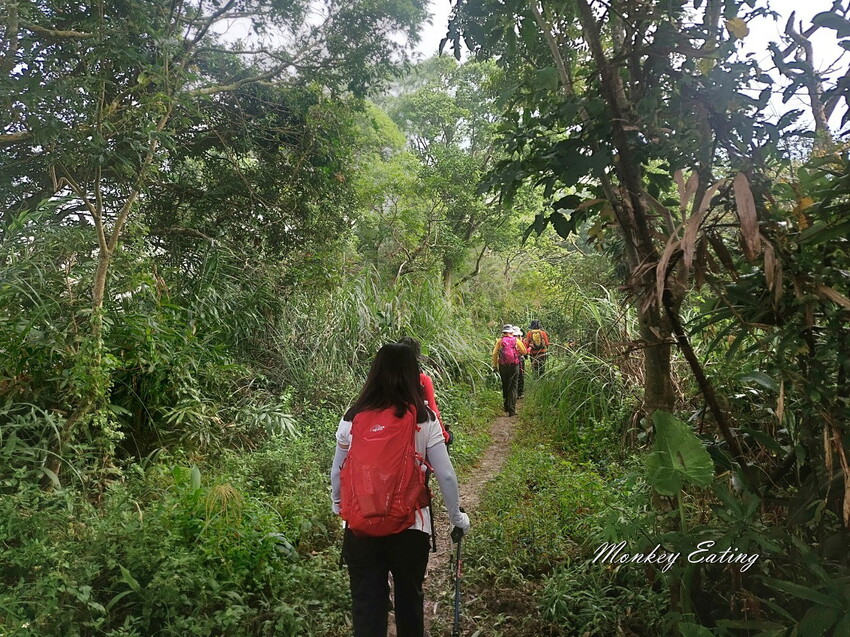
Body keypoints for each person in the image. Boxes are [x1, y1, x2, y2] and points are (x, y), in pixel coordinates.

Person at [330, 343, 470, 637]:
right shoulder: (424, 417)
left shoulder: (353, 415)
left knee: (367, 607)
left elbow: (337, 471)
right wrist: (457, 517)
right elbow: (445, 474)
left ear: (375, 372)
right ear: (412, 373)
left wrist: (337, 505)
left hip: (360, 527)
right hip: (411, 527)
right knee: (410, 599)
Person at [398, 336, 451, 446]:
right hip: (418, 430)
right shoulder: (423, 380)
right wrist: (444, 433)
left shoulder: (387, 380)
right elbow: (433, 410)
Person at [491, 325, 527, 416]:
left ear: (503, 333)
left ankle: (506, 406)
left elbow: (495, 353)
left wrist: (495, 366)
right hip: (514, 365)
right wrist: (517, 352)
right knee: (513, 386)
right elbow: (524, 352)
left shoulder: (500, 341)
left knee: (505, 385)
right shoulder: (516, 340)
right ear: (511, 332)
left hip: (503, 365)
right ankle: (512, 410)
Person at [512, 325, 526, 398]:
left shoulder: (505, 339)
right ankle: (520, 393)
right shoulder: (519, 340)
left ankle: (513, 393)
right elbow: (524, 351)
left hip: (508, 361)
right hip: (519, 359)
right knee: (521, 375)